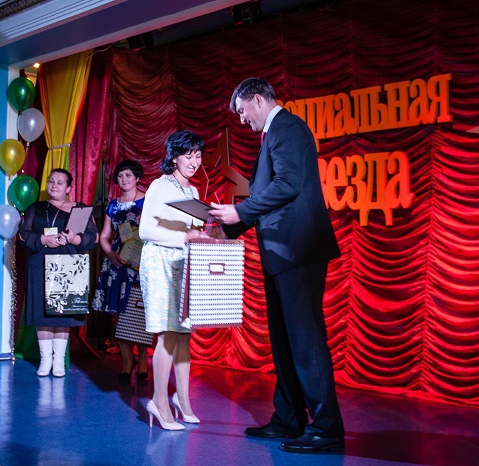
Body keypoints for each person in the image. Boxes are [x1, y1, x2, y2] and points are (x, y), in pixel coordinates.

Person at [208, 77, 345, 453]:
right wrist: (226, 228)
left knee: (306, 341)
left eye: (242, 111)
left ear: (256, 100)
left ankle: (327, 428)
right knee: (285, 341)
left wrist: (238, 212)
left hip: (297, 250)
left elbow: (287, 185)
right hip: (281, 253)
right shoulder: (275, 134)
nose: (242, 120)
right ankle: (289, 417)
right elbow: (271, 195)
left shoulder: (287, 127)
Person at [139, 130, 211, 430]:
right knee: (168, 333)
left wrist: (204, 235)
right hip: (159, 263)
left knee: (184, 334)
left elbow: (192, 231)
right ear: (174, 157)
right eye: (188, 156)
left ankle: (182, 399)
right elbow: (145, 230)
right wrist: (184, 237)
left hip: (183, 264)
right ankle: (158, 402)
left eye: (198, 156)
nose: (194, 162)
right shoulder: (160, 185)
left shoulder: (192, 192)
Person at [18, 168, 99, 377]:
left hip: (68, 266)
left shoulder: (80, 209)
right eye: (51, 181)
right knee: (43, 314)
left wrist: (74, 239)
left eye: (60, 182)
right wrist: (43, 239)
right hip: (40, 263)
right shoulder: (35, 208)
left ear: (69, 188)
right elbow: (23, 234)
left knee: (64, 314)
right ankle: (45, 360)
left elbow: (93, 237)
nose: (54, 185)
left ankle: (59, 361)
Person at [92, 160, 150, 380]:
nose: (124, 179)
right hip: (118, 262)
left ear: (137, 178)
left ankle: (142, 358)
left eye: (128, 175)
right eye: (120, 176)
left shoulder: (148, 201)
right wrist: (110, 254)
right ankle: (127, 360)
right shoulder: (113, 205)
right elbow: (104, 236)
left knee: (140, 311)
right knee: (120, 313)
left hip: (142, 262)